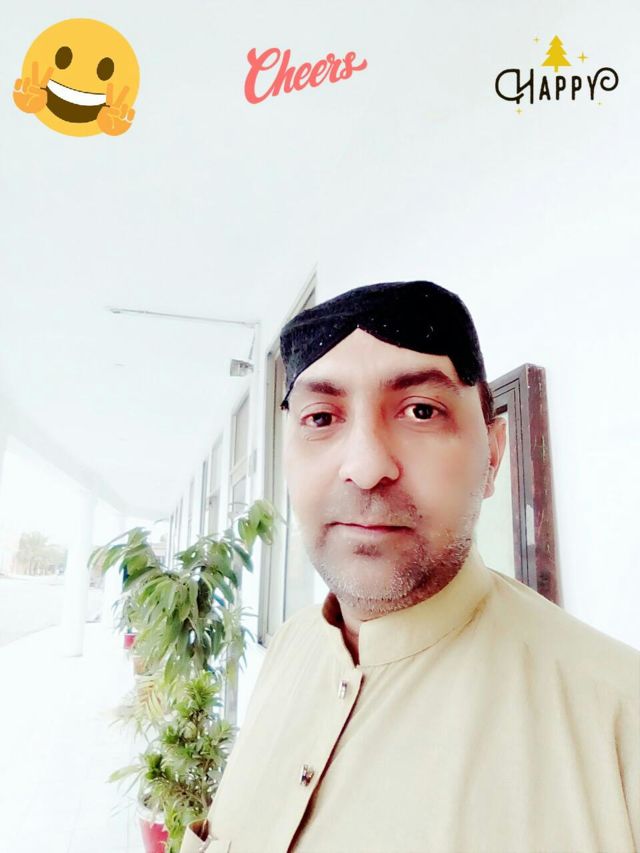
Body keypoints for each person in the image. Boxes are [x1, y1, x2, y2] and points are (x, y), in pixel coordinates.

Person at [180, 281, 639, 853]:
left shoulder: (621, 727)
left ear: (493, 454)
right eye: (321, 418)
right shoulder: (286, 651)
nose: (366, 466)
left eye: (421, 411)